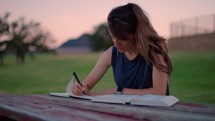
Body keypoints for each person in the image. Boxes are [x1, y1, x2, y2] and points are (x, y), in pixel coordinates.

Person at [72, 3, 172, 96]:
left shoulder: (155, 50)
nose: (116, 43)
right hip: (127, 112)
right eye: (113, 37)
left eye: (122, 38)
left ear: (136, 33)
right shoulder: (112, 53)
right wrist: (80, 89)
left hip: (156, 112)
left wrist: (118, 91)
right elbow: (87, 86)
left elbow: (159, 92)